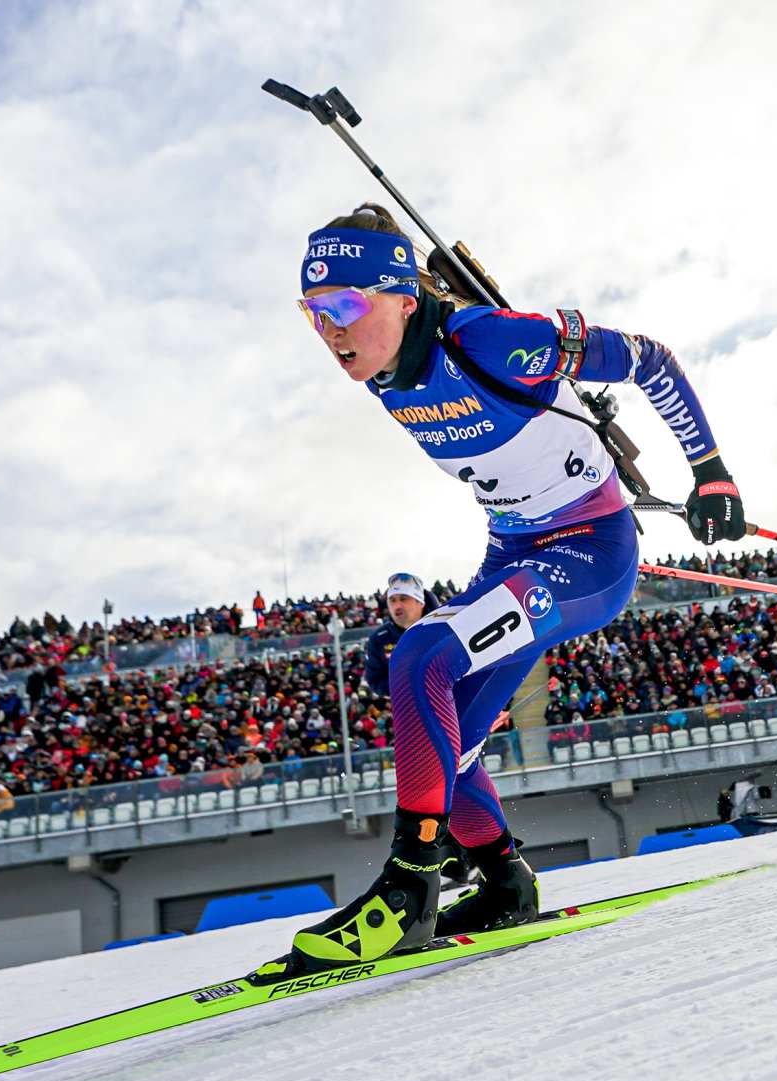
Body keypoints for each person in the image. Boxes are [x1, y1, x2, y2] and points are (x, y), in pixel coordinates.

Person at [263, 202, 747, 979]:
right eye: (314, 313)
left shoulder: (490, 339)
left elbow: (649, 359)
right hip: (513, 552)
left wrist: (711, 470)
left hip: (588, 552)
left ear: (405, 296)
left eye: (347, 305)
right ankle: (501, 879)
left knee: (421, 652)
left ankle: (411, 883)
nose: (331, 330)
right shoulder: (380, 370)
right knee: (446, 742)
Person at [362, 571, 440, 695]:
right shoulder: (379, 639)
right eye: (392, 600)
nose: (397, 605)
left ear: (420, 602)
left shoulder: (442, 628)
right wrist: (406, 685)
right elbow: (375, 680)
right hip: (410, 707)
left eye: (404, 599)